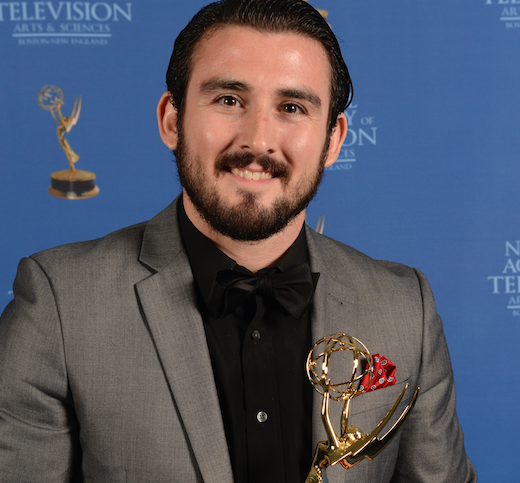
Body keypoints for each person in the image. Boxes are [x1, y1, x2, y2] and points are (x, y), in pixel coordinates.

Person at [0, 1, 477, 482]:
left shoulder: (404, 310)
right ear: (172, 118)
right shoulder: (60, 304)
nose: (258, 140)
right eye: (229, 99)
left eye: (291, 108)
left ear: (333, 140)